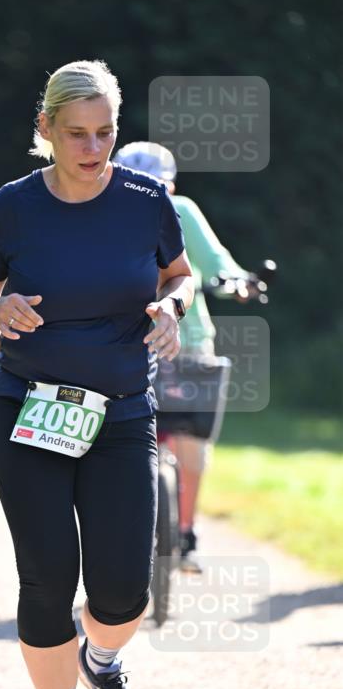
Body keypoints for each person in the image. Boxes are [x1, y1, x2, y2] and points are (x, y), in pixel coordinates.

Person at [0, 61, 194, 689]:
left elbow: (178, 274)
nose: (92, 149)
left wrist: (171, 309)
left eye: (105, 134)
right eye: (76, 134)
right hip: (29, 409)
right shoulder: (12, 207)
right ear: (46, 131)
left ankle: (104, 662)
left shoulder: (144, 199)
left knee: (125, 590)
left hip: (120, 412)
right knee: (46, 578)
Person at [115, 142, 248, 572]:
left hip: (187, 341)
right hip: (124, 342)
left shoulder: (183, 212)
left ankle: (186, 532)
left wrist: (236, 281)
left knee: (193, 446)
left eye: (158, 187)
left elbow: (216, 262)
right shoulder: (103, 217)